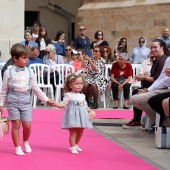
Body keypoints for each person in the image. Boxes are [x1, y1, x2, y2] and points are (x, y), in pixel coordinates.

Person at [0, 43, 54, 156]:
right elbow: (4, 89)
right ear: (15, 58)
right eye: (24, 58)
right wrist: (1, 104)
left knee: (27, 125)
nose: (26, 60)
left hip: (25, 99)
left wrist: (46, 99)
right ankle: (17, 146)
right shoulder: (8, 72)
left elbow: (36, 89)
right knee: (16, 124)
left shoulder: (30, 71)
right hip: (12, 100)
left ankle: (25, 142)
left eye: (27, 58)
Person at [123, 39, 170, 130]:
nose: (152, 49)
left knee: (138, 97)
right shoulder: (161, 60)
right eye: (151, 47)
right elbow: (160, 78)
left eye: (155, 47)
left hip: (162, 88)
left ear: (162, 48)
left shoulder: (163, 60)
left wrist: (147, 85)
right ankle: (156, 122)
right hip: (158, 86)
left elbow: (161, 80)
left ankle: (159, 122)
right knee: (137, 94)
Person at [53, 73, 95, 154]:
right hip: (72, 116)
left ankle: (76, 144)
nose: (80, 85)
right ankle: (72, 147)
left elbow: (85, 105)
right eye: (77, 83)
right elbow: (63, 104)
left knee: (80, 132)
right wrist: (56, 104)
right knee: (73, 132)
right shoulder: (68, 95)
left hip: (82, 116)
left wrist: (90, 111)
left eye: (81, 83)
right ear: (70, 85)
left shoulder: (82, 95)